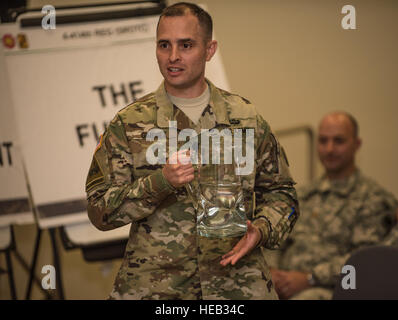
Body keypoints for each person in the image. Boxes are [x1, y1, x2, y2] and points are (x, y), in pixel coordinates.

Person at [85, 2, 299, 300]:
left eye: (186, 45)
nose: (173, 57)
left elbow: (283, 196)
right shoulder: (129, 124)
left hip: (236, 287)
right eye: (164, 45)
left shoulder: (246, 119)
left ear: (209, 50)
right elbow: (99, 210)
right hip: (157, 290)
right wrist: (160, 183)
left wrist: (261, 229)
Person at [270, 111, 398, 300]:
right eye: (323, 141)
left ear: (357, 145)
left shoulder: (372, 198)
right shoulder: (302, 195)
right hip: (282, 287)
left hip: (331, 290)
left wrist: (310, 278)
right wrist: (273, 273)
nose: (329, 149)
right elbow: (276, 241)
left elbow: (362, 262)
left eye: (339, 141)